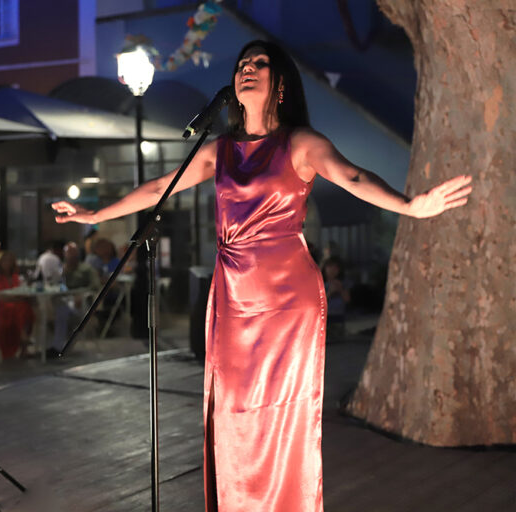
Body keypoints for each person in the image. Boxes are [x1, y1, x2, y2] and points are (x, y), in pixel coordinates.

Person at [52, 40, 472, 511]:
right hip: (233, 295)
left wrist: (409, 206)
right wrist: (94, 215)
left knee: (283, 415)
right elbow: (158, 188)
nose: (246, 70)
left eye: (259, 63)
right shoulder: (220, 149)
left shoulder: (300, 143)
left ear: (280, 83)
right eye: (241, 65)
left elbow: (352, 177)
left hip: (288, 300)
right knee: (233, 412)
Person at [47, 242, 100, 358]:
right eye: (68, 253)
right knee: (52, 309)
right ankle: (50, 346)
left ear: (77, 254)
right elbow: (56, 286)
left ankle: (57, 347)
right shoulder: (62, 269)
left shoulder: (86, 269)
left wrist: (80, 294)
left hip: (82, 304)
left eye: (73, 253)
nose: (71, 256)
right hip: (65, 301)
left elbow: (95, 286)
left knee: (61, 311)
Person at [0, 251, 34, 359]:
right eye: (5, 260)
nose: (7, 263)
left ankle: (23, 344)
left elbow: (19, 291)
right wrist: (17, 298)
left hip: (14, 303)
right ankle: (23, 339)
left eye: (10, 261)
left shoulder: (15, 277)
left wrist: (21, 297)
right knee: (19, 309)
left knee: (27, 309)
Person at [322, 256, 351, 338]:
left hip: (338, 315)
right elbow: (318, 303)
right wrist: (330, 292)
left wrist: (340, 289)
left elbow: (347, 299)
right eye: (330, 267)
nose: (332, 270)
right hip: (325, 316)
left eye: (335, 268)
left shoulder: (343, 283)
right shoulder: (321, 283)